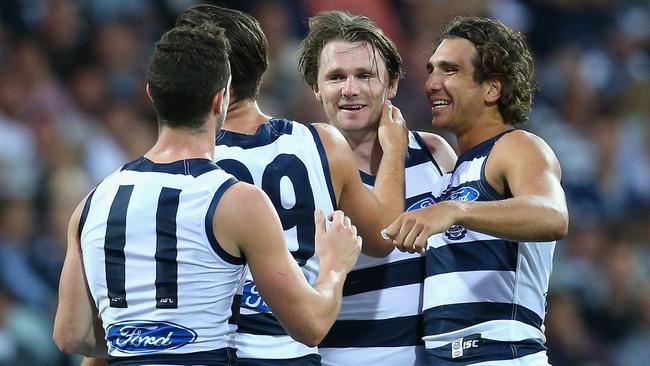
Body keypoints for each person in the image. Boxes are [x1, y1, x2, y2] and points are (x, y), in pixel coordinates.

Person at [52, 23, 363, 366]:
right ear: (221, 99)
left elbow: (71, 336)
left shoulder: (91, 204)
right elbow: (311, 325)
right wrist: (335, 266)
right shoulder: (238, 202)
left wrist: (141, 340)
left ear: (152, 95)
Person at [174, 5, 409, 365]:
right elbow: (384, 235)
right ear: (262, 68)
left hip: (211, 351)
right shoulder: (324, 144)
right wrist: (394, 152)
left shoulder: (180, 161)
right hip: (293, 351)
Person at [383, 16, 569, 365]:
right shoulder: (449, 177)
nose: (432, 83)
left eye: (449, 70)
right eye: (431, 70)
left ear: (491, 88)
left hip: (500, 352)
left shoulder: (517, 146)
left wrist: (457, 210)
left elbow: (553, 215)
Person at [297, 10, 457, 366]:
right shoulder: (299, 168)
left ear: (394, 84)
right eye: (336, 77)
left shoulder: (435, 154)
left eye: (365, 75)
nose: (350, 90)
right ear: (316, 87)